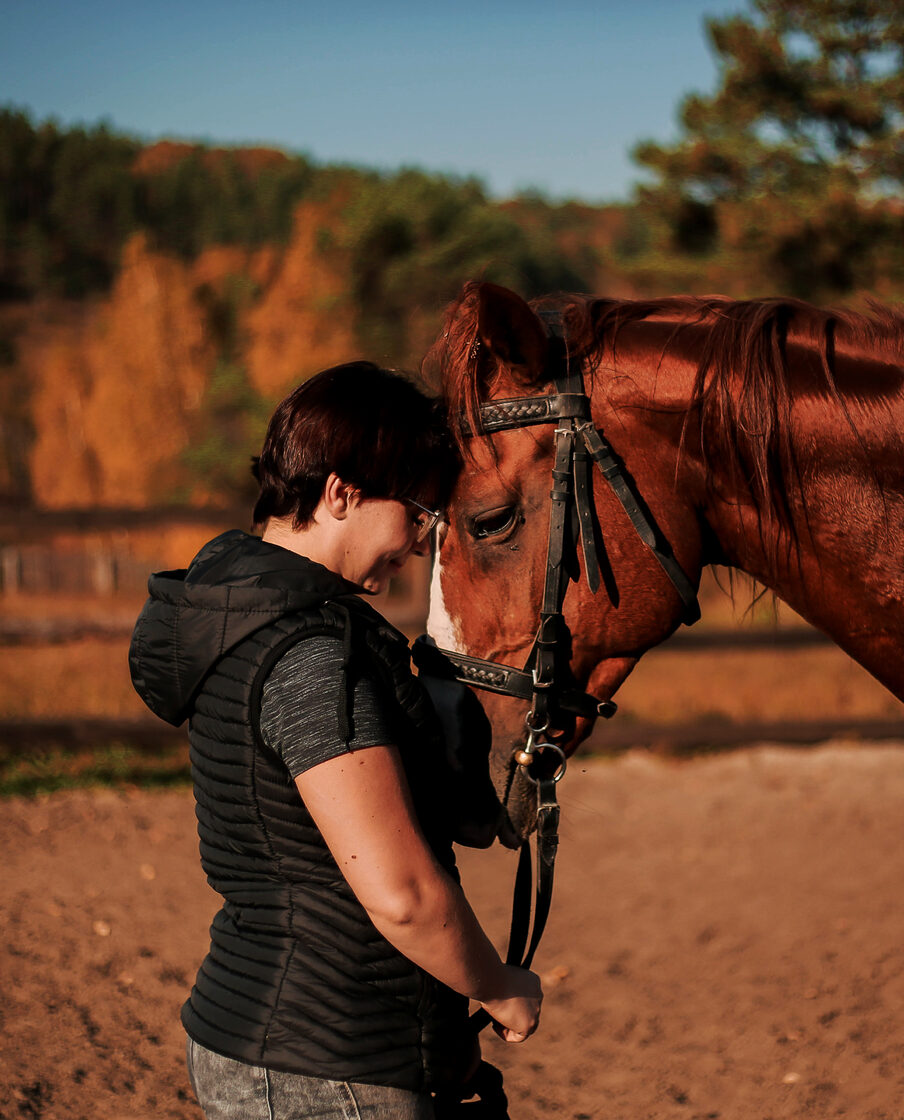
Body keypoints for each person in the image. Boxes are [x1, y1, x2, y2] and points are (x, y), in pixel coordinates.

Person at [129, 361, 541, 1120]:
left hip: (275, 1035)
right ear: (341, 492)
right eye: (418, 511)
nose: (421, 543)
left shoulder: (244, 622)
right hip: (326, 1064)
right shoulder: (310, 656)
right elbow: (403, 895)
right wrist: (497, 986)